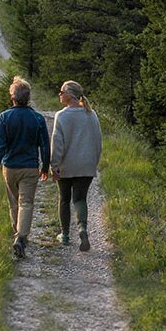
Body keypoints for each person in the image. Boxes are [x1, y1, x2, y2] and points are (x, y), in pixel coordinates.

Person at [0, 76, 50, 258]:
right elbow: (45, 146)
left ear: (12, 98)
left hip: (10, 168)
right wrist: (45, 167)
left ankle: (18, 236)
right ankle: (21, 238)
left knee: (14, 203)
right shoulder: (38, 119)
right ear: (28, 98)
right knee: (26, 203)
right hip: (30, 168)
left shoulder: (4, 117)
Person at [50, 80, 102, 252]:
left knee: (64, 199)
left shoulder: (62, 116)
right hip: (86, 164)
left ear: (70, 95)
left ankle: (64, 235)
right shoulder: (91, 114)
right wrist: (94, 161)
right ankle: (83, 230)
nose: (59, 94)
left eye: (62, 91)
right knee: (80, 199)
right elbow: (98, 142)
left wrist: (54, 165)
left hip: (67, 164)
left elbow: (57, 144)